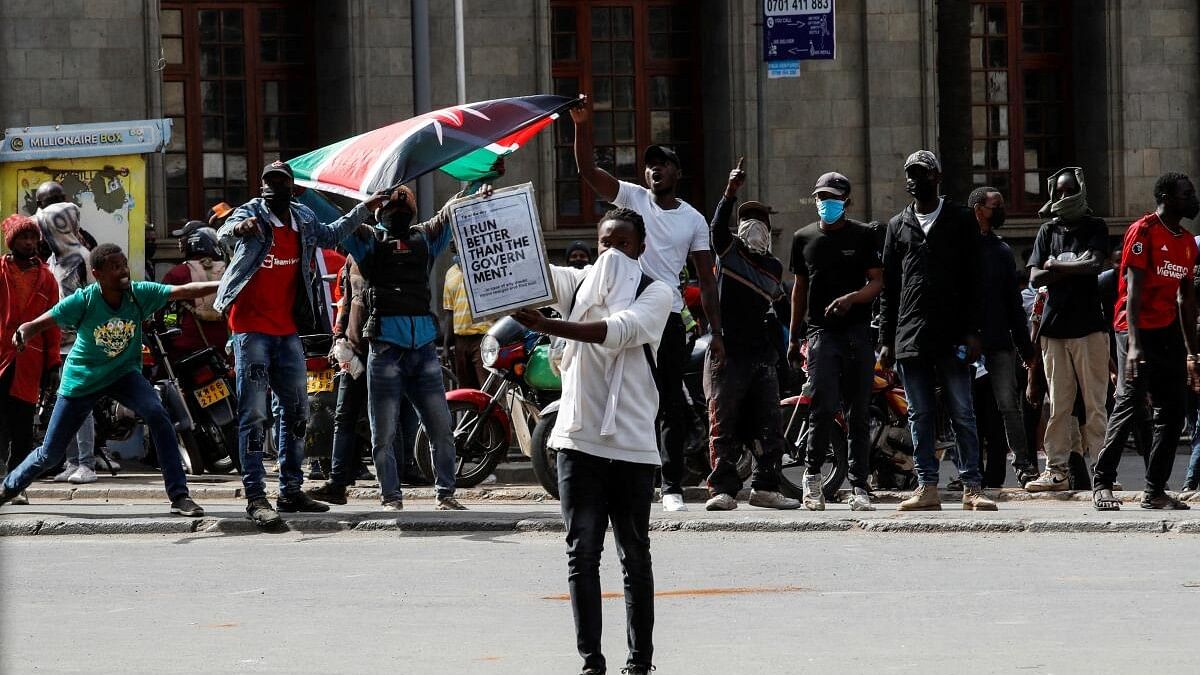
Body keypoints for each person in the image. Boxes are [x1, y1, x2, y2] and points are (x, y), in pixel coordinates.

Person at [512, 208, 671, 675]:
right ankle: (591, 662)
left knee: (634, 554)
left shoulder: (656, 293)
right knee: (581, 554)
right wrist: (491, 219)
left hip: (632, 448)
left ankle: (639, 661)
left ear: (640, 248)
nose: (613, 253)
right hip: (578, 443)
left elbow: (613, 334)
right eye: (606, 243)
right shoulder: (579, 284)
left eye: (624, 244)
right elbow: (530, 272)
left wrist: (545, 326)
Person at [215, 160, 389, 528]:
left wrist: (365, 209)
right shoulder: (253, 213)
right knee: (254, 415)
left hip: (286, 329)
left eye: (280, 183)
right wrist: (241, 226)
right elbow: (224, 233)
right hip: (249, 329)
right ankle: (255, 497)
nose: (273, 190)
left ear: (292, 188)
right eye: (268, 183)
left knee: (296, 413)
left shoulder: (303, 218)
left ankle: (290, 490)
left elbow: (332, 235)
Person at [570, 96, 720, 512]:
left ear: (678, 173)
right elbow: (587, 171)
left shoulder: (692, 219)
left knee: (668, 399)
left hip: (667, 316)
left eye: (664, 163)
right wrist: (583, 125)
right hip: (624, 313)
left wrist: (716, 332)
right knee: (621, 393)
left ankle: (671, 484)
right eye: (650, 163)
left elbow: (706, 280)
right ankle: (628, 476)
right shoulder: (631, 199)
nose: (655, 169)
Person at [0, 244, 217, 515]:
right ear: (97, 273)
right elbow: (49, 318)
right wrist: (27, 329)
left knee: (157, 414)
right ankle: (8, 487)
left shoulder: (139, 293)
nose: (123, 271)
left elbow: (181, 291)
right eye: (115, 267)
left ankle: (179, 496)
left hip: (123, 374)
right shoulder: (85, 299)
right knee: (50, 454)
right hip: (83, 378)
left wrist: (224, 281)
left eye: (124, 264)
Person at [309, 184, 469, 512]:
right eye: (392, 208)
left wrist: (479, 180)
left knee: (439, 427)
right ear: (381, 213)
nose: (398, 212)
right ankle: (391, 497)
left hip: (420, 348)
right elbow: (335, 218)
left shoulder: (423, 238)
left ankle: (445, 493)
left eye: (403, 208)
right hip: (386, 349)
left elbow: (452, 209)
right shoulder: (368, 241)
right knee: (383, 432)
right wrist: (305, 193)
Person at [878, 150, 997, 511]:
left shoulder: (960, 220)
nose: (916, 180)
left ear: (937, 177)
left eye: (923, 174)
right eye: (911, 174)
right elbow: (890, 289)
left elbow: (977, 279)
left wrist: (974, 331)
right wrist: (885, 340)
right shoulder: (897, 226)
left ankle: (972, 487)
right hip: (911, 336)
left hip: (953, 335)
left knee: (962, 410)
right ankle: (927, 486)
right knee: (919, 413)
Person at [1092, 173, 1200, 510]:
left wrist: (1192, 352)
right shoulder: (1143, 230)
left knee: (1174, 408)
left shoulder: (1185, 241)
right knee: (1130, 400)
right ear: (1167, 196)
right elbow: (1133, 291)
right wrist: (1135, 345)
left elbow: (1185, 300)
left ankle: (1154, 489)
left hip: (1166, 327)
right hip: (1133, 326)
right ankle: (1102, 482)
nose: (1193, 198)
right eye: (1187, 194)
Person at [701, 159, 800, 511]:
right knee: (723, 423)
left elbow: (779, 312)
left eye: (760, 220)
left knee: (770, 425)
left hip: (761, 356)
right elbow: (715, 230)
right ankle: (723, 489)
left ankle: (766, 487)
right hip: (727, 353)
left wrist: (789, 347)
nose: (754, 226)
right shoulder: (728, 252)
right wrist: (730, 191)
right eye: (747, 220)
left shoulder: (773, 268)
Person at [789, 171, 883, 511]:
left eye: (833, 198)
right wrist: (792, 335)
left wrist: (852, 299)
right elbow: (799, 288)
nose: (826, 203)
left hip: (857, 332)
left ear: (847, 201)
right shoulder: (803, 238)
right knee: (823, 406)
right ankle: (812, 479)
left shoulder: (862, 236)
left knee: (859, 412)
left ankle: (860, 485)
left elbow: (877, 281)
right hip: (821, 334)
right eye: (821, 197)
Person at [1024, 167, 1111, 491]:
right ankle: (1056, 470)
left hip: (1089, 329)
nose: (1063, 197)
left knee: (1095, 405)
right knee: (1059, 406)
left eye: (1068, 190)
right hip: (1054, 330)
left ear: (1080, 190)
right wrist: (1073, 268)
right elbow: (1034, 278)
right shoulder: (1048, 230)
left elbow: (1094, 265)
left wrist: (1055, 266)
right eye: (1058, 192)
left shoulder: (1094, 226)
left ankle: (1103, 472)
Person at [968, 186, 1039, 486]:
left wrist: (1025, 348)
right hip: (965, 343)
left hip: (998, 343)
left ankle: (1023, 465)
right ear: (978, 209)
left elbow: (1013, 302)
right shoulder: (960, 248)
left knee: (1009, 404)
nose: (1001, 210)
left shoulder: (1001, 250)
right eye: (995, 205)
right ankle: (968, 469)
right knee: (965, 410)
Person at [34, 181, 103, 483]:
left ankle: (86, 463)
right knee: (66, 401)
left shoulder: (81, 257)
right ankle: (73, 461)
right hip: (60, 345)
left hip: (80, 343)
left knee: (80, 403)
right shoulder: (54, 258)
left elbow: (94, 300)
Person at [0, 215, 62, 505]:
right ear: (12, 241)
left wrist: (52, 364)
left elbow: (53, 323)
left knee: (22, 426)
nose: (29, 243)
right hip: (1, 355)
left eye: (32, 238)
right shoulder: (0, 271)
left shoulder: (47, 278)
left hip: (29, 361)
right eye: (23, 238)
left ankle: (16, 484)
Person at [160, 224, 229, 357]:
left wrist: (168, 332)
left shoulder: (177, 272)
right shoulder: (229, 271)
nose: (180, 242)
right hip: (226, 342)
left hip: (188, 344)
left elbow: (161, 309)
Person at [442, 248, 493, 390]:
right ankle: (471, 413)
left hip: (483, 337)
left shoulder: (485, 266)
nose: (452, 243)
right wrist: (446, 346)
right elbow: (449, 311)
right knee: (466, 390)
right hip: (461, 341)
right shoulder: (450, 273)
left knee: (487, 390)